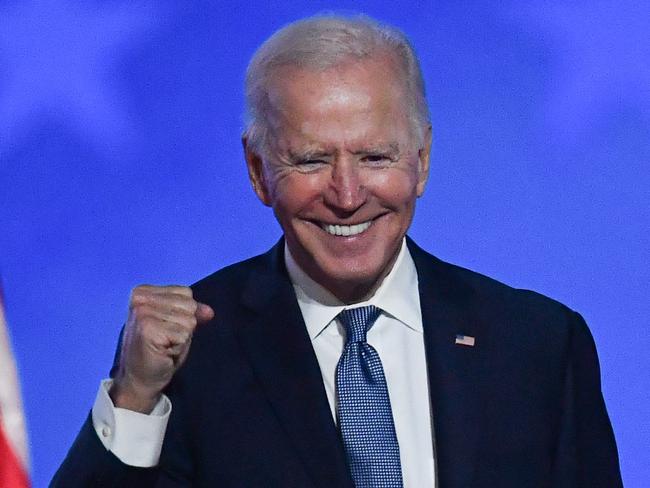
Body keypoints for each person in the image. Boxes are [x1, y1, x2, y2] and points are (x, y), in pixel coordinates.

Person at [52, 14, 622, 488]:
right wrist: (134, 399)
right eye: (311, 160)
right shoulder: (194, 352)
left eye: (375, 157)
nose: (347, 197)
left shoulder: (538, 345)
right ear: (258, 171)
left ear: (421, 160)